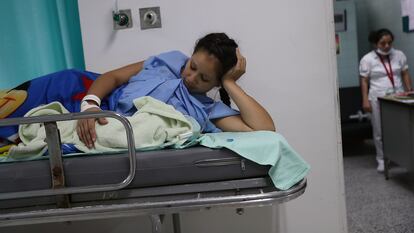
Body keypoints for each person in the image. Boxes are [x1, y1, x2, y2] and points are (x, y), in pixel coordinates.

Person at [72, 32, 275, 148]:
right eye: (192, 66)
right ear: (190, 55)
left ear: (216, 83)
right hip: (86, 90)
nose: (191, 78)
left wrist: (230, 83)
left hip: (109, 118)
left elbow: (265, 129)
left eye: (204, 78)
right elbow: (113, 77)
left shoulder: (207, 111)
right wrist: (90, 106)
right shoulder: (168, 62)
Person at [359, 28, 412, 172]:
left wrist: (410, 90)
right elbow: (364, 80)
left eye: (389, 42)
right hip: (378, 98)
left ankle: (402, 157)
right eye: (383, 43)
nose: (387, 46)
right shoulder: (367, 59)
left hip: (398, 97)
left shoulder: (399, 55)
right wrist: (365, 100)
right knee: (379, 129)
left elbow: (405, 73)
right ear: (376, 43)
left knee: (401, 129)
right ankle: (382, 159)